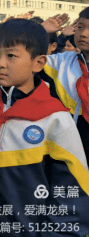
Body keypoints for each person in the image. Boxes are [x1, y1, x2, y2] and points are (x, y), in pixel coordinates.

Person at [0, 7, 89, 237]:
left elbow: (71, 196)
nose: (0, 63)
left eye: (11, 55)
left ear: (39, 63)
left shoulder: (55, 120)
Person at [40, 8, 89, 158]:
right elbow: (25, 57)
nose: (84, 33)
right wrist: (39, 31)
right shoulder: (62, 62)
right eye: (80, 27)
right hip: (69, 147)